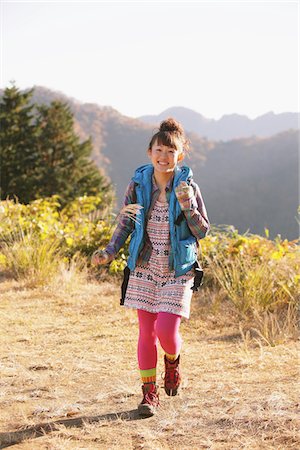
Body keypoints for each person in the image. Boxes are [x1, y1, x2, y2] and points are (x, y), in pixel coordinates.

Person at [92, 118, 210, 417]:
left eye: (171, 152)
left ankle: (172, 361)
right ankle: (149, 395)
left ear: (180, 156)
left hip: (177, 268)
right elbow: (126, 222)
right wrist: (109, 251)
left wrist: (188, 205)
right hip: (144, 265)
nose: (164, 157)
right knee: (146, 331)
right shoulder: (138, 184)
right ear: (149, 152)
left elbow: (202, 230)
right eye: (159, 150)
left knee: (166, 329)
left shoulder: (188, 187)